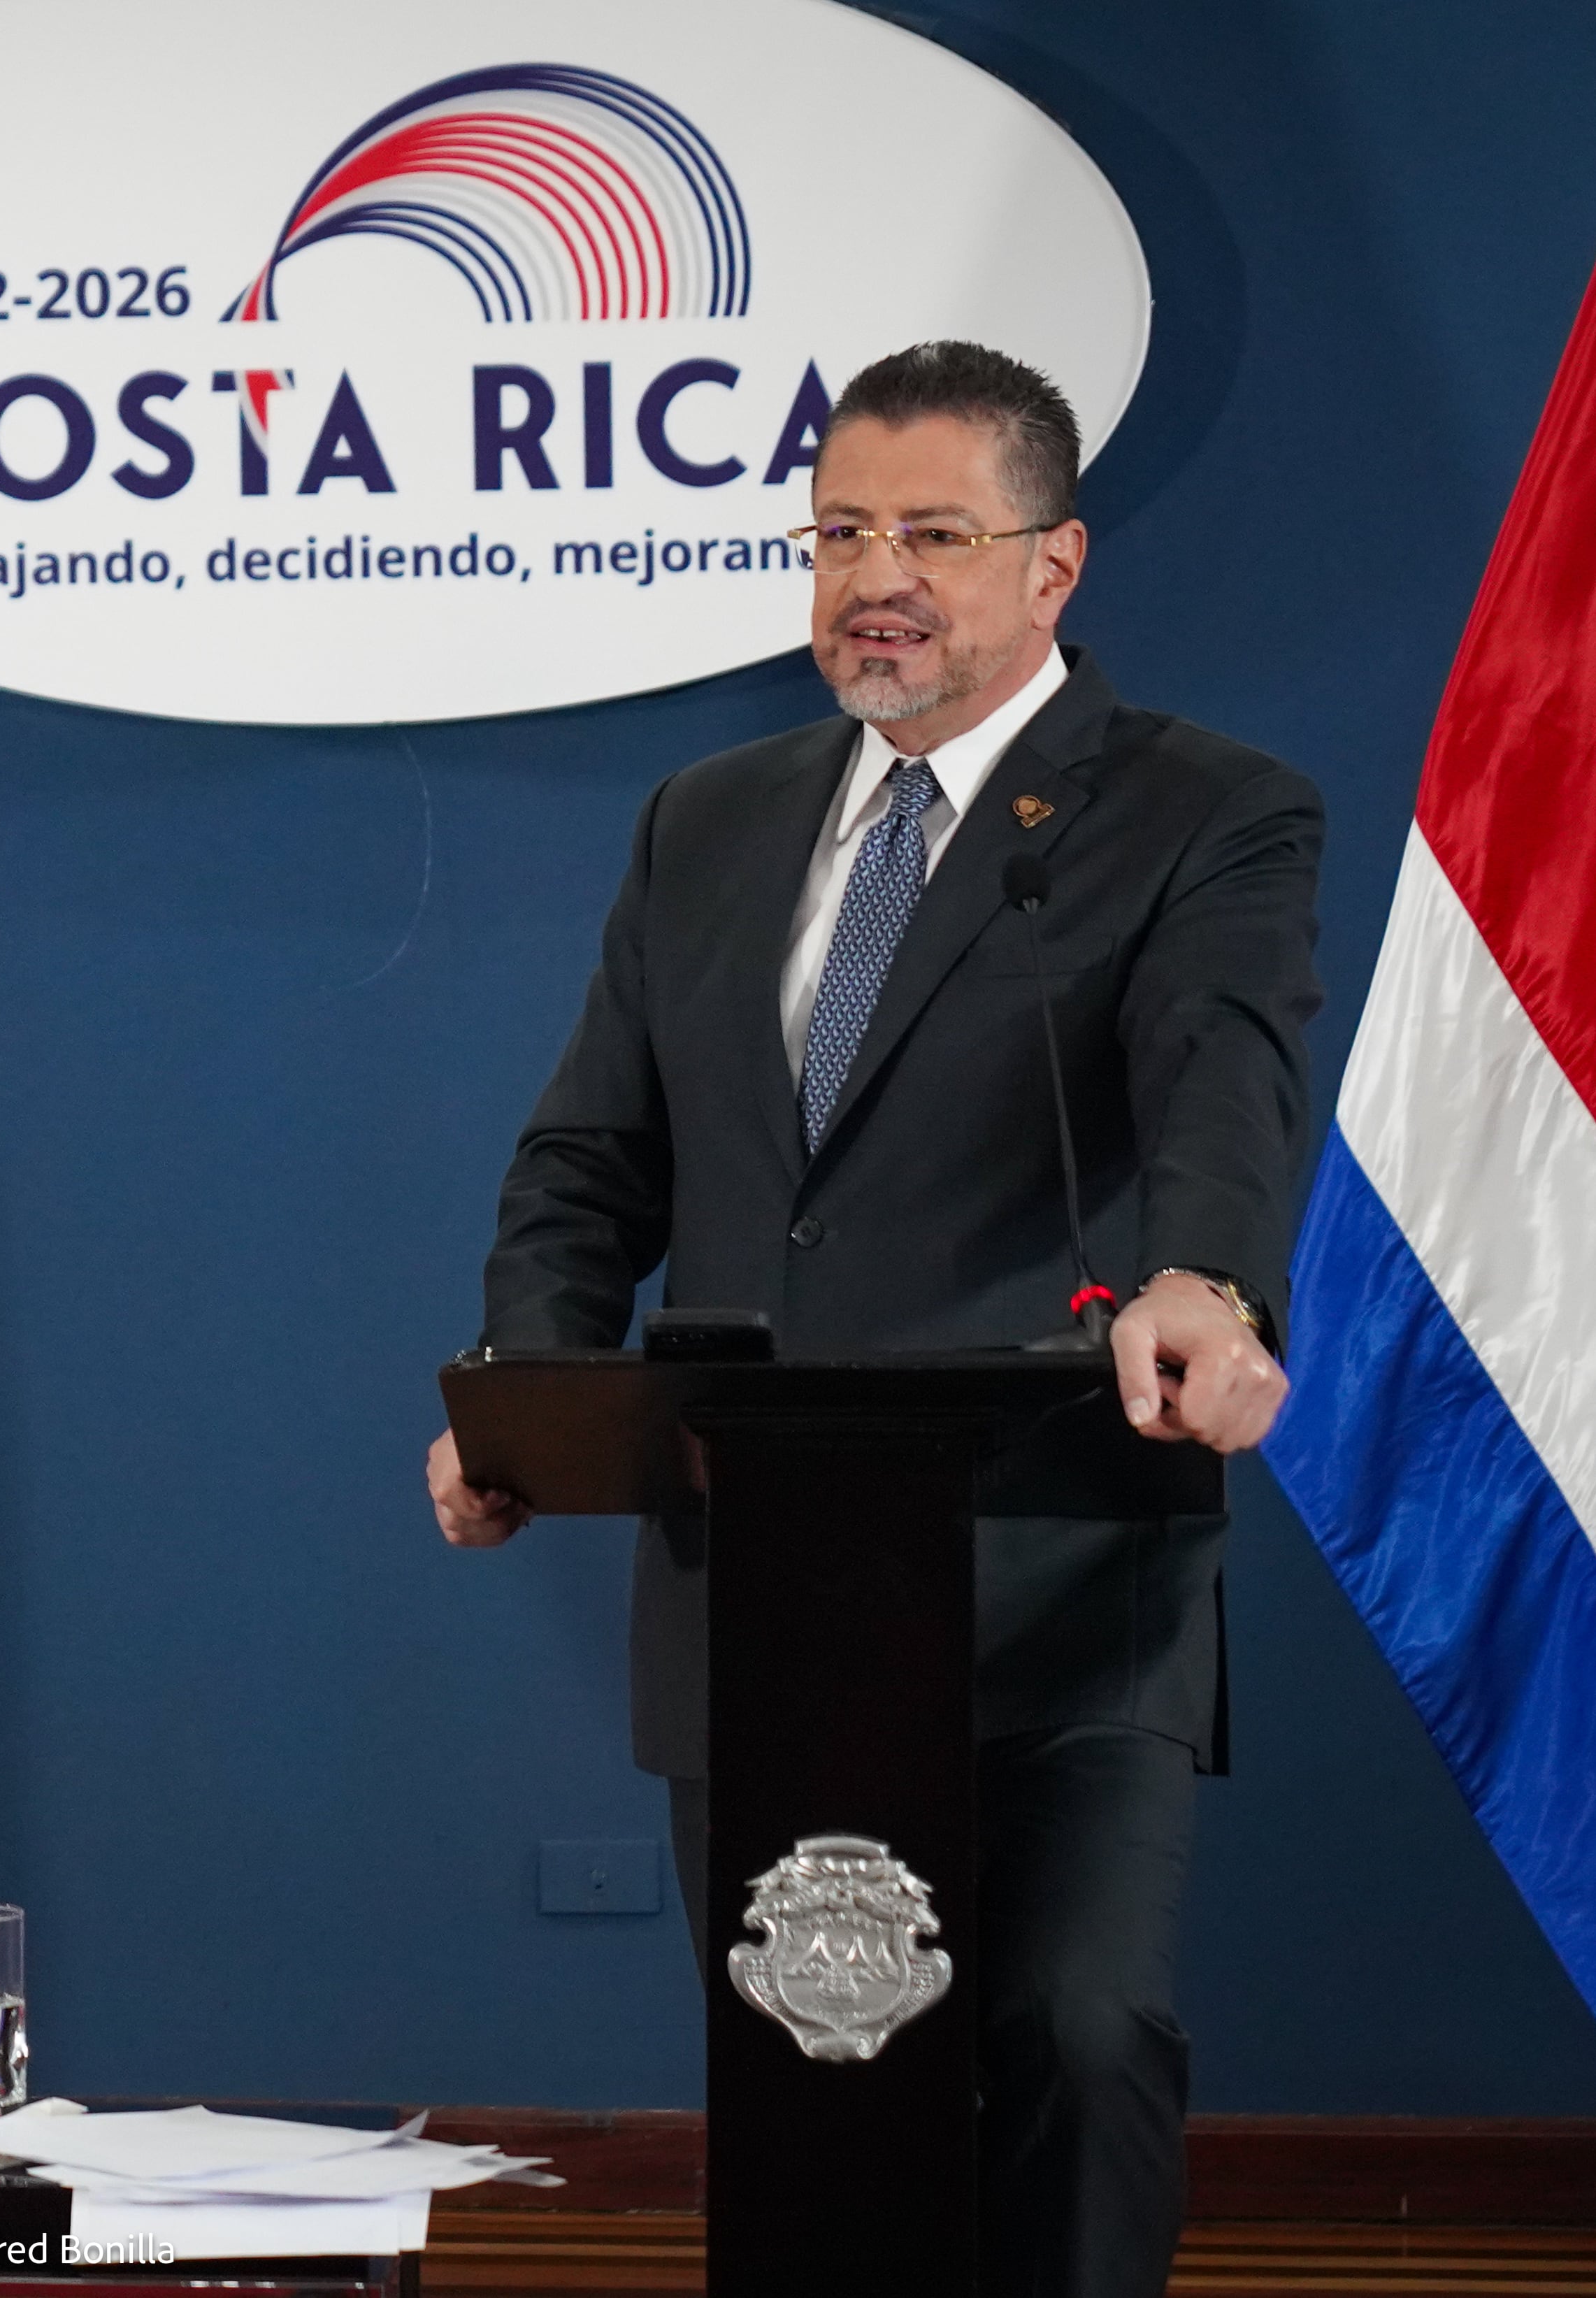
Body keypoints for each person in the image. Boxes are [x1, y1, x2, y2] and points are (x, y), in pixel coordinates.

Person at [423, 343, 1321, 2297]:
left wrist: (1207, 1284)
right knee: (814, 2079)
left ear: (1053, 564)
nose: (869, 579)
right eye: (837, 532)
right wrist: (521, 1389)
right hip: (764, 1586)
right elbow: (587, 1164)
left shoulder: (1201, 814)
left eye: (930, 532)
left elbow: (1220, 1082)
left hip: (1064, 1560)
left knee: (1071, 2043)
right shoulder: (707, 822)